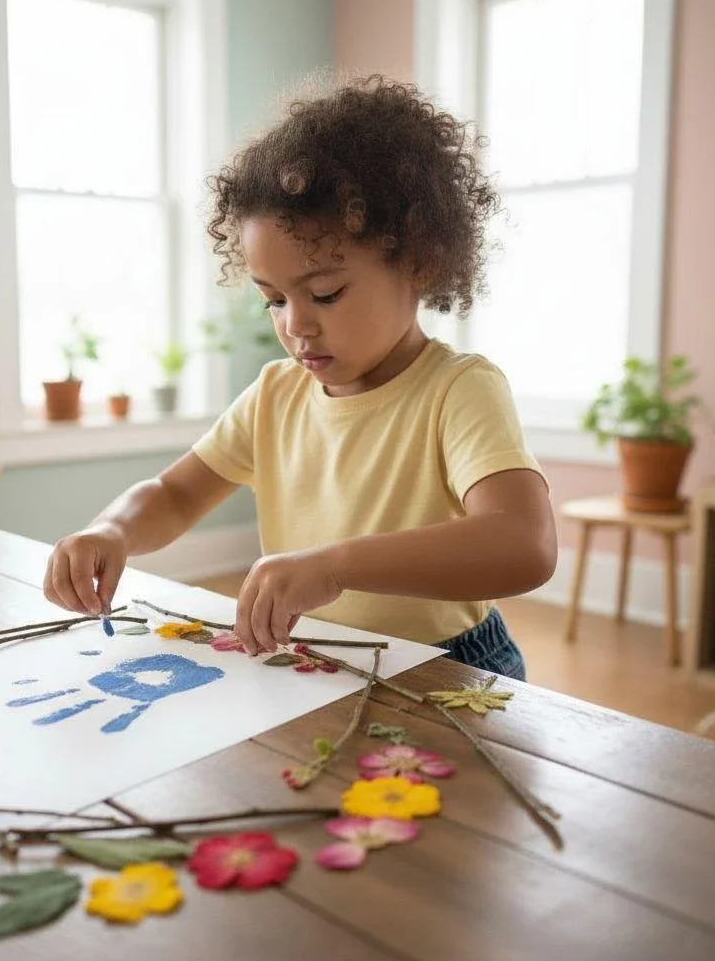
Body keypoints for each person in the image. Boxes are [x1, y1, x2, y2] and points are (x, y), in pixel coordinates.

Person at [43, 75, 557, 681]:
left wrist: (335, 565)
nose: (296, 326)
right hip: (315, 660)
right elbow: (177, 494)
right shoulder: (275, 393)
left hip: (446, 667)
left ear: (418, 262)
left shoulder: (457, 388)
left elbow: (524, 546)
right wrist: (113, 529)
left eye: (325, 293)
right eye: (274, 300)